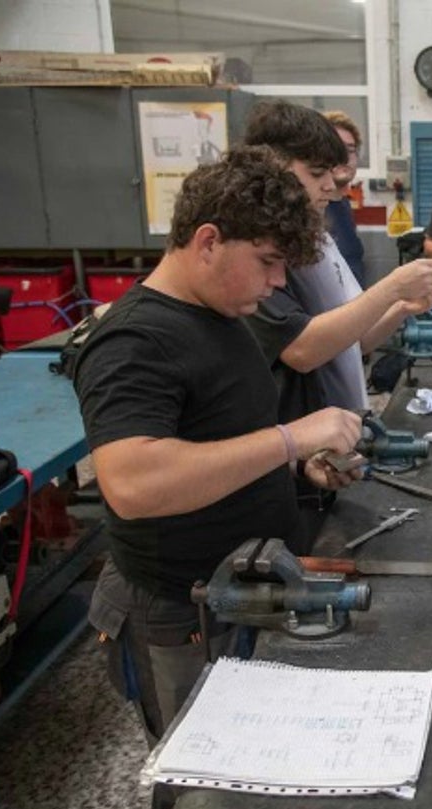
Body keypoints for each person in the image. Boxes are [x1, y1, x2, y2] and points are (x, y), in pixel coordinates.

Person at [74, 146, 367, 749]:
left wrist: (296, 466)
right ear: (207, 241)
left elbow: (221, 437)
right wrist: (290, 435)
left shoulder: (222, 313)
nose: (279, 281)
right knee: (200, 783)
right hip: (186, 612)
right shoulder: (135, 339)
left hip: (244, 587)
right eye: (268, 261)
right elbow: (133, 484)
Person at [243, 101, 432, 423]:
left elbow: (355, 338)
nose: (329, 184)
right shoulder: (255, 247)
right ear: (272, 167)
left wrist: (403, 305)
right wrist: (393, 288)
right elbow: (301, 351)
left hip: (333, 431)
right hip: (294, 436)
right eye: (317, 173)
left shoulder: (316, 236)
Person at [322, 110, 367, 288]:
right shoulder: (312, 211)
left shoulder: (343, 205)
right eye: (336, 149)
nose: (344, 157)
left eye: (350, 150)